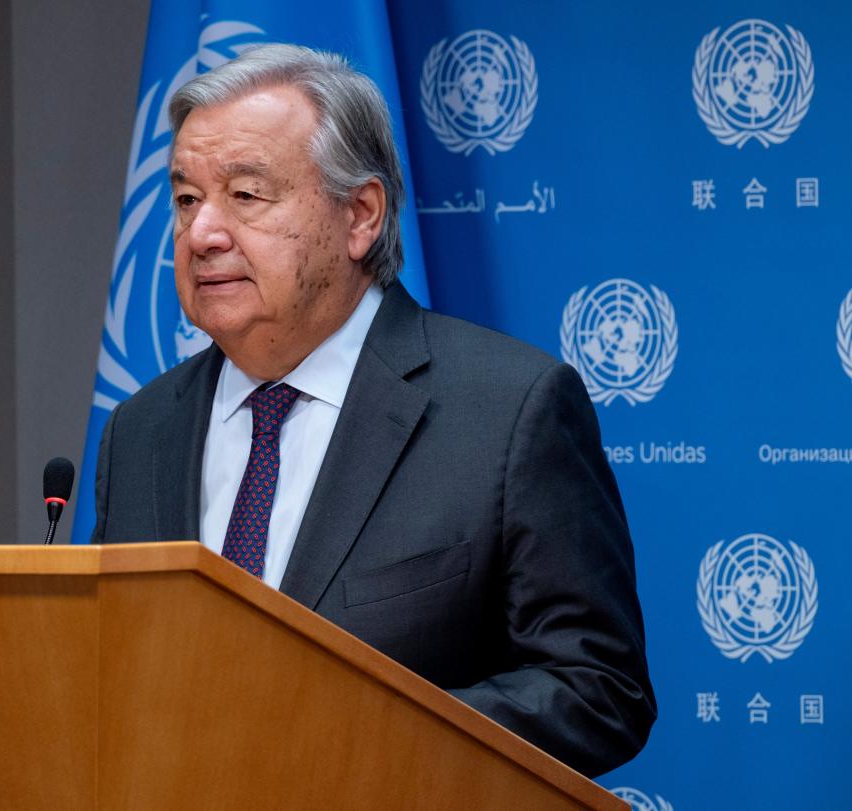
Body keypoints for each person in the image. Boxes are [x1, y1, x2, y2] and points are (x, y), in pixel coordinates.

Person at [91, 43, 654, 777]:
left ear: (360, 215)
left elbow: (598, 688)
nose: (202, 234)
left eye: (246, 195)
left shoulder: (509, 411)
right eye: (187, 199)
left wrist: (353, 734)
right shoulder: (142, 428)